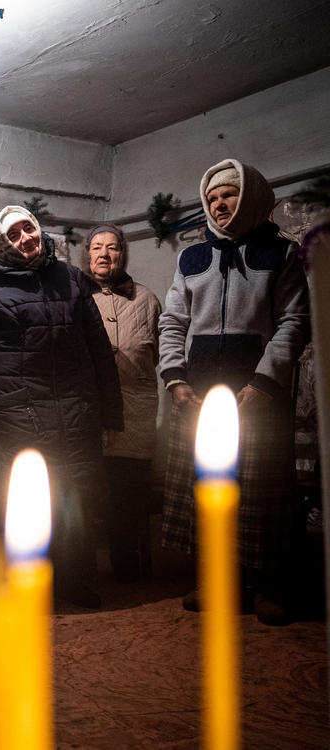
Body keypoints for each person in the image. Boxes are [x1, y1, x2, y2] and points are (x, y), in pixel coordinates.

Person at [159, 158, 310, 625]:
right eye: (211, 198)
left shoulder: (282, 255)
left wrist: (264, 383)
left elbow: (293, 322)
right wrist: (176, 379)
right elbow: (173, 322)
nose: (219, 204)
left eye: (228, 195)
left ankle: (269, 585)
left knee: (261, 494)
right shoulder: (191, 258)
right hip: (201, 393)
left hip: (258, 393)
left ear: (252, 198)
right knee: (211, 490)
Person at [0, 206, 123, 608]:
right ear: (2, 244)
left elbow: (99, 351)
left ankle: (73, 581)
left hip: (76, 413)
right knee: (26, 504)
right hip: (18, 416)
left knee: (76, 503)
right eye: (16, 233)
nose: (27, 237)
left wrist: (110, 414)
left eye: (30, 227)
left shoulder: (71, 279)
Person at [81, 223, 162, 581]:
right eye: (97, 247)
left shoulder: (146, 300)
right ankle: (84, 569)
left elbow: (161, 352)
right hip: (90, 411)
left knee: (128, 492)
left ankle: (128, 567)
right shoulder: (76, 297)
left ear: (122, 253)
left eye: (112, 248)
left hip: (136, 411)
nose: (104, 254)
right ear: (87, 254)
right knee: (87, 492)